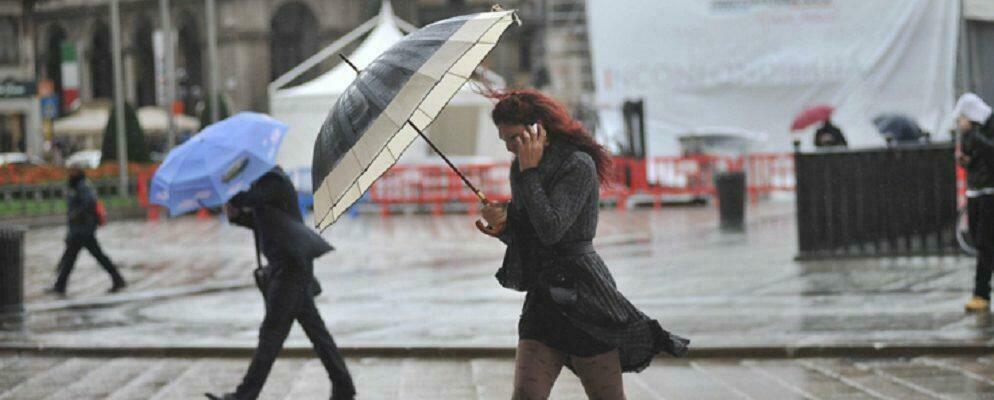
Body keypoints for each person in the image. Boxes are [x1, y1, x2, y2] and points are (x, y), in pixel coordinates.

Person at [477, 89, 689, 400]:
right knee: (525, 395)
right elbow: (530, 234)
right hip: (543, 299)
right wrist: (504, 225)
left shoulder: (577, 164)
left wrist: (530, 174)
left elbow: (552, 229)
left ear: (538, 128)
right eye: (504, 140)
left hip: (586, 299)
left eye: (514, 138)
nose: (510, 147)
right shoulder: (519, 167)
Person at [206, 167, 355, 400]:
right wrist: (236, 216)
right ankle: (343, 386)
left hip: (290, 269)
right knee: (316, 332)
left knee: (271, 335)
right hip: (287, 267)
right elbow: (264, 222)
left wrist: (227, 192)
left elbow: (250, 200)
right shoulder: (263, 184)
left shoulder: (274, 180)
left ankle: (244, 395)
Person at [50, 168, 126, 295]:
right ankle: (60, 285)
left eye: (70, 173)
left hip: (83, 231)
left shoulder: (82, 186)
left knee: (78, 258)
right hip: (79, 230)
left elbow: (89, 202)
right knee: (73, 258)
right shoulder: (78, 187)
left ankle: (60, 286)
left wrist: (75, 214)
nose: (68, 176)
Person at [956, 93, 994, 313]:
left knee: (984, 243)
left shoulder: (984, 130)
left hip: (989, 193)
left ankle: (981, 293)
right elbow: (974, 159)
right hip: (975, 191)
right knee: (980, 241)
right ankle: (981, 291)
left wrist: (975, 136)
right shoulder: (968, 134)